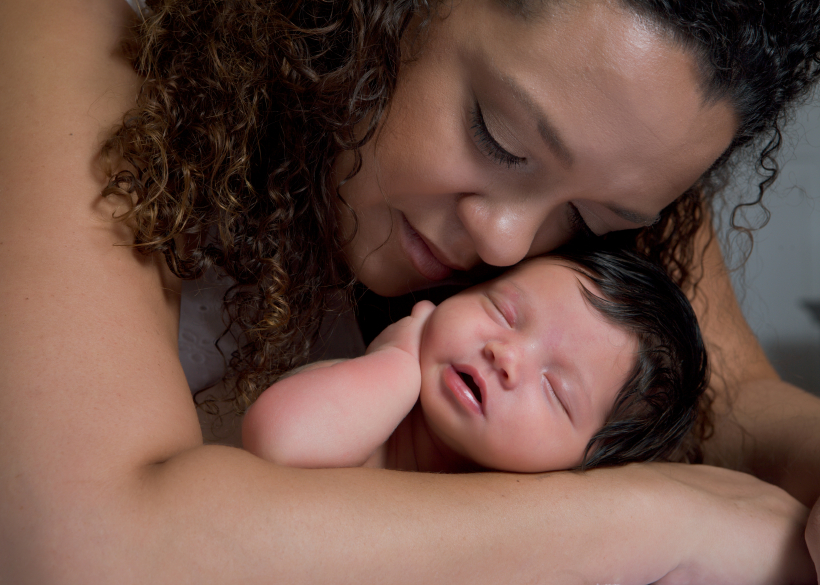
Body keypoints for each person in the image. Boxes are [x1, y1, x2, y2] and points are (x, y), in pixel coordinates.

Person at [1, 0, 820, 582]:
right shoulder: (74, 36)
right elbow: (88, 548)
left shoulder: (607, 142)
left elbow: (735, 401)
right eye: (498, 138)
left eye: (591, 217)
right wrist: (662, 521)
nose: (508, 242)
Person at [243, 249, 710, 474]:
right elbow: (276, 441)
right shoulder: (363, 394)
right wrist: (398, 361)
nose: (506, 355)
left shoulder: (520, 528)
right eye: (503, 312)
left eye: (554, 389)